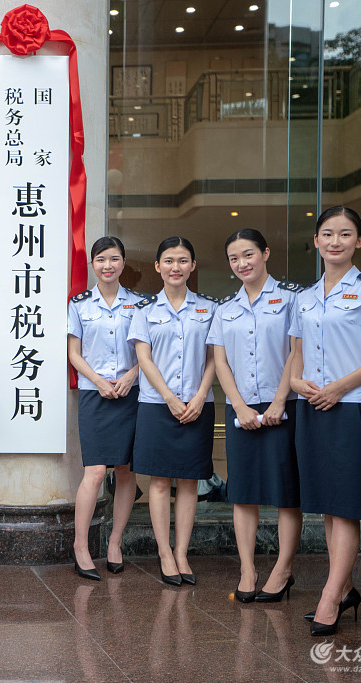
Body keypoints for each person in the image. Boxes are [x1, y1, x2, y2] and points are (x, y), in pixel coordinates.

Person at [289, 206, 361, 636]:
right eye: (328, 234)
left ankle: (330, 597)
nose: (336, 241)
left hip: (352, 406)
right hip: (312, 406)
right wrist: (296, 383)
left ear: (359, 241)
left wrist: (339, 387)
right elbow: (296, 355)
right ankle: (346, 586)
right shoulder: (304, 297)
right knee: (328, 505)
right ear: (316, 241)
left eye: (346, 234)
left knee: (346, 505)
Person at [207, 229, 301, 604]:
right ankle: (248, 569)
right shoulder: (225, 309)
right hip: (241, 409)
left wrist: (279, 401)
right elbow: (220, 362)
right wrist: (240, 406)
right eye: (234, 258)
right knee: (243, 493)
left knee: (286, 493)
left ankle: (283, 570)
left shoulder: (291, 299)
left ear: (265, 253)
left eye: (248, 254)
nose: (242, 263)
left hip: (284, 407)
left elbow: (296, 352)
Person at [128, 236, 218, 587]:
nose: (175, 267)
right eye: (168, 260)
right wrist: (168, 397)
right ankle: (164, 552)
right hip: (157, 406)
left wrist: (200, 396)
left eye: (182, 260)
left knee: (190, 481)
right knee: (160, 481)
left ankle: (182, 552)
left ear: (192, 265)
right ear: (157, 266)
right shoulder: (145, 311)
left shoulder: (209, 309)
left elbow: (214, 357)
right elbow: (144, 358)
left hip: (198, 405)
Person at [67, 237, 143, 580]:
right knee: (96, 471)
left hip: (130, 394)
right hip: (95, 395)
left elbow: (147, 352)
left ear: (123, 262)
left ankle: (115, 542)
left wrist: (131, 375)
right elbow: (74, 353)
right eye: (101, 259)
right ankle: (81, 546)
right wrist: (98, 381)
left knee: (125, 470)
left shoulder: (140, 304)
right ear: (93, 264)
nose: (107, 265)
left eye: (114, 259)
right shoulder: (79, 304)